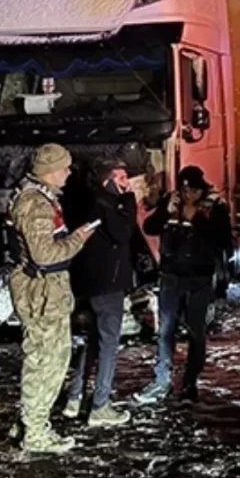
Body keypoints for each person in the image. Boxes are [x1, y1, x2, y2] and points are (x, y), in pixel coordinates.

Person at [9, 144, 93, 453]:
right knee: (47, 361)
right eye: (65, 167)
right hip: (42, 291)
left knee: (46, 357)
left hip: (46, 290)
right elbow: (43, 255)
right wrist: (77, 240)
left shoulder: (39, 198)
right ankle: (35, 432)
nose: (69, 173)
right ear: (51, 170)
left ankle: (29, 422)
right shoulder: (36, 204)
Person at [135, 166, 232, 405]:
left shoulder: (214, 207)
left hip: (199, 279)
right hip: (171, 276)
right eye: (184, 190)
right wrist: (164, 213)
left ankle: (190, 383)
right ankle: (162, 380)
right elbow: (149, 228)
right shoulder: (171, 201)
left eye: (193, 191)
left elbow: (223, 240)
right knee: (165, 330)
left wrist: (196, 218)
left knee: (196, 332)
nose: (187, 195)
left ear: (201, 189)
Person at [64, 161, 137, 427]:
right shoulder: (106, 205)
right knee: (108, 345)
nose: (126, 182)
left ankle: (74, 397)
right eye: (121, 177)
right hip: (108, 285)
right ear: (108, 181)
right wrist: (129, 200)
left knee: (95, 342)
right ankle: (100, 405)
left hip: (95, 284)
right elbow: (123, 233)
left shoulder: (93, 201)